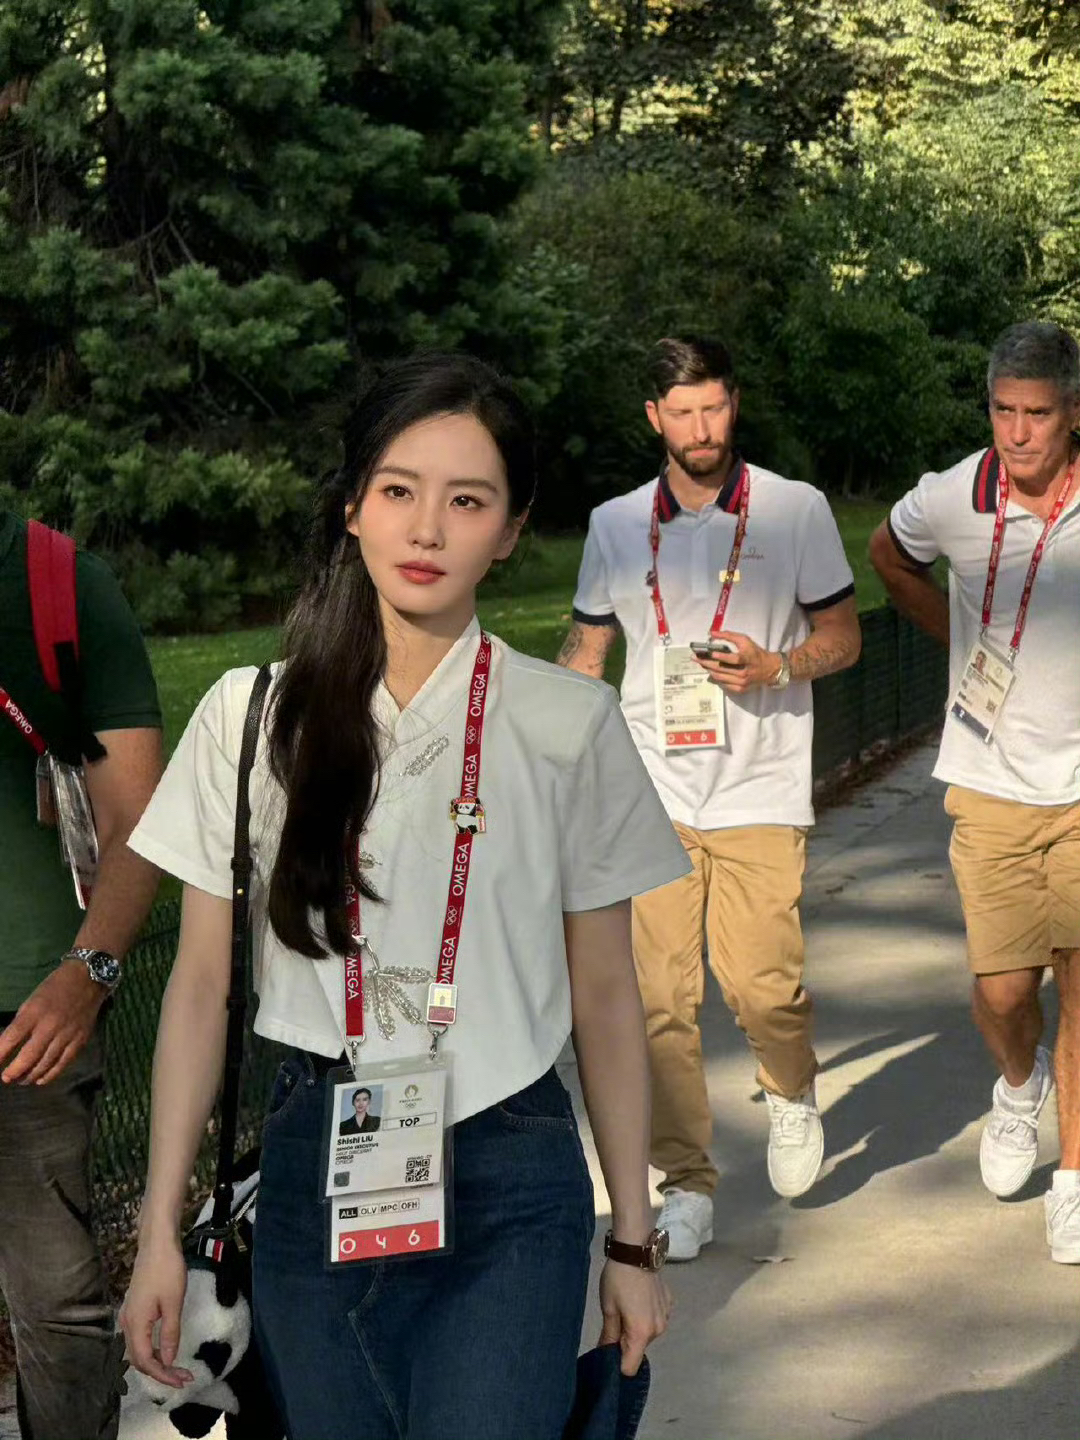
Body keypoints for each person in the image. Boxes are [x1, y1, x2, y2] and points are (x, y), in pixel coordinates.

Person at [120, 353, 691, 1439]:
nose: (427, 528)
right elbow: (196, 991)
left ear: (512, 530)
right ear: (352, 507)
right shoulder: (249, 718)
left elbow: (610, 995)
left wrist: (632, 1238)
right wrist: (159, 1235)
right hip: (311, 1168)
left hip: (510, 1167)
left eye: (467, 501)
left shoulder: (568, 724)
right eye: (398, 490)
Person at [558, 335, 862, 1260]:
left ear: (735, 405)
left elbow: (844, 636)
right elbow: (586, 655)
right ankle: (684, 1183)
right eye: (682, 412)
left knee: (763, 989)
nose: (701, 429)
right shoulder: (615, 524)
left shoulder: (795, 509)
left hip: (761, 788)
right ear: (655, 417)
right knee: (658, 1002)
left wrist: (779, 666)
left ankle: (791, 1086)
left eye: (715, 408)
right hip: (651, 791)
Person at [869, 319, 1080, 1265]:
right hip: (989, 783)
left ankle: (1073, 1180)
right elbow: (888, 554)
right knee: (1003, 991)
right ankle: (1018, 1085)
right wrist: (954, 642)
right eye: (1004, 411)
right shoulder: (953, 495)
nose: (1019, 433)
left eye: (1039, 414)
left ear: (1072, 412)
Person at [0, 511, 163, 1439]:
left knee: (56, 1310)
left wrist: (90, 970)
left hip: (29, 1018)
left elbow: (136, 815)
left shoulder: (60, 585)